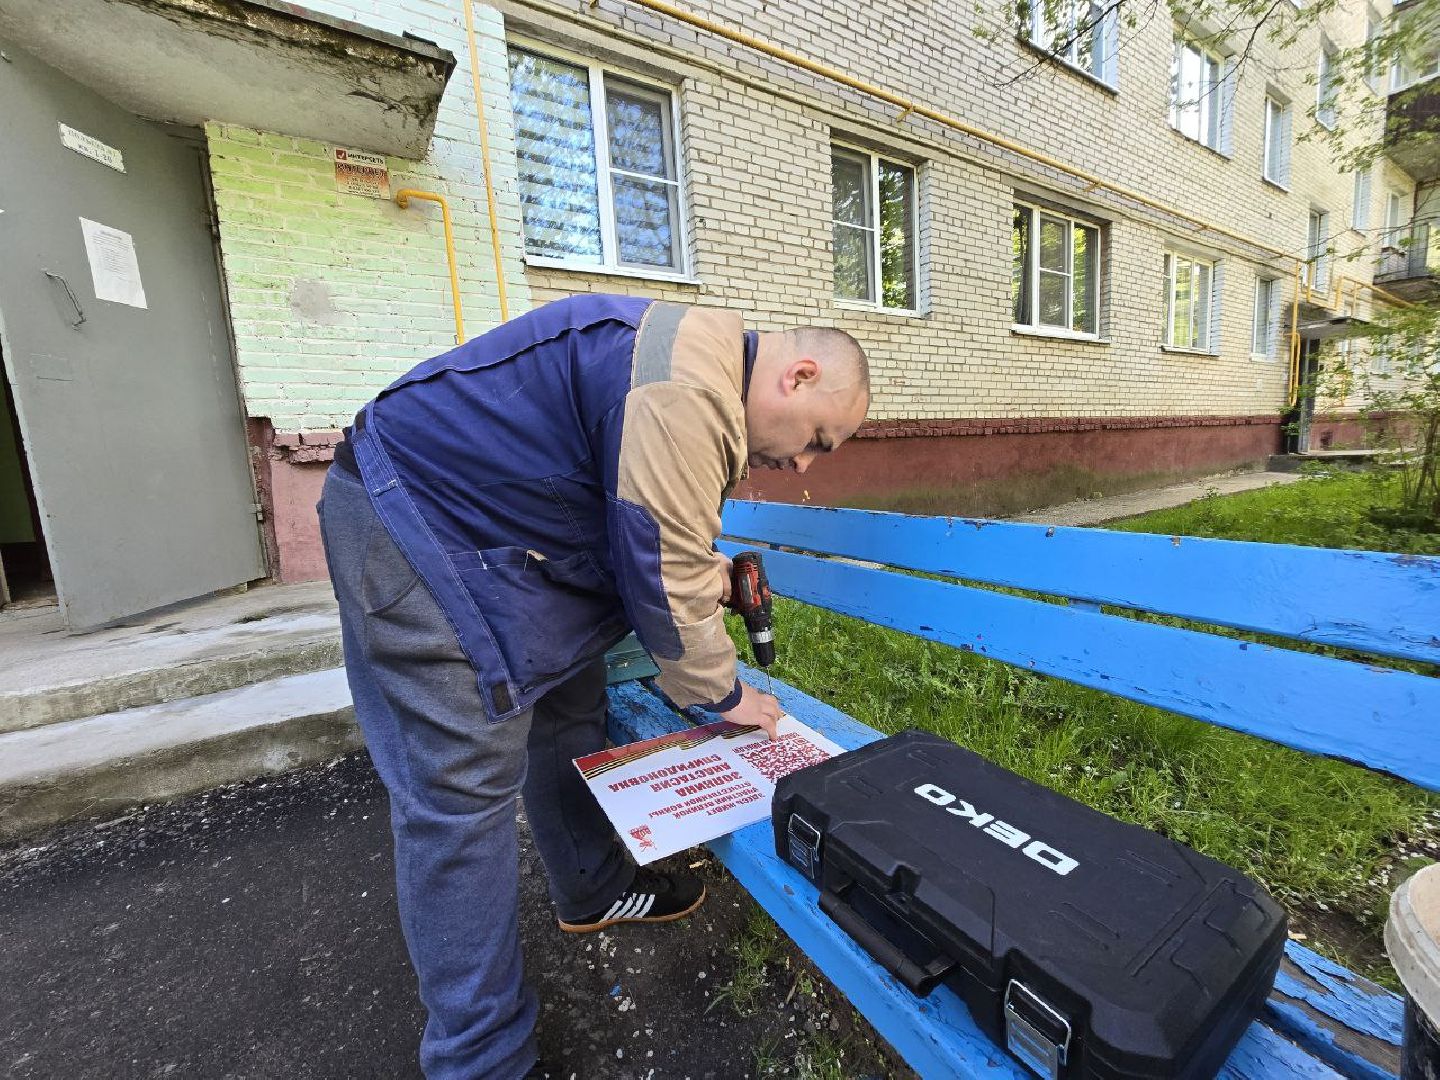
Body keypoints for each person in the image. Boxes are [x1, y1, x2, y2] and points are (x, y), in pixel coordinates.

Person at [317, 295, 870, 1079]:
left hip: (498, 533)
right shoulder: (689, 391)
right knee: (458, 798)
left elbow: (647, 523)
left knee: (570, 699)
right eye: (818, 438)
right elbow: (663, 571)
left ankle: (591, 888)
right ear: (799, 375)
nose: (806, 465)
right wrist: (727, 697)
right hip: (415, 532)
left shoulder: (696, 364)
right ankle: (481, 1058)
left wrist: (699, 570)